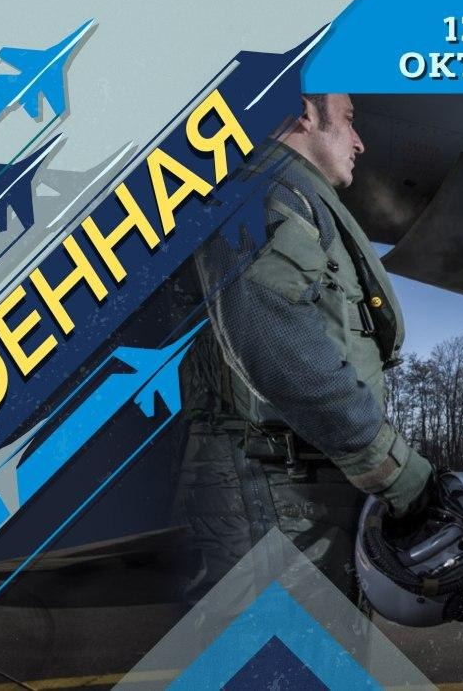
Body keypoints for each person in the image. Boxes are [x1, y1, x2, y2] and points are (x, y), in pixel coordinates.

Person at [176, 93, 433, 603]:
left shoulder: (288, 194)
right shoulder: (261, 191)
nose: (359, 142)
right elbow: (276, 345)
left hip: (294, 481)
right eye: (349, 120)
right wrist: (395, 468)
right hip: (276, 485)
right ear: (303, 112)